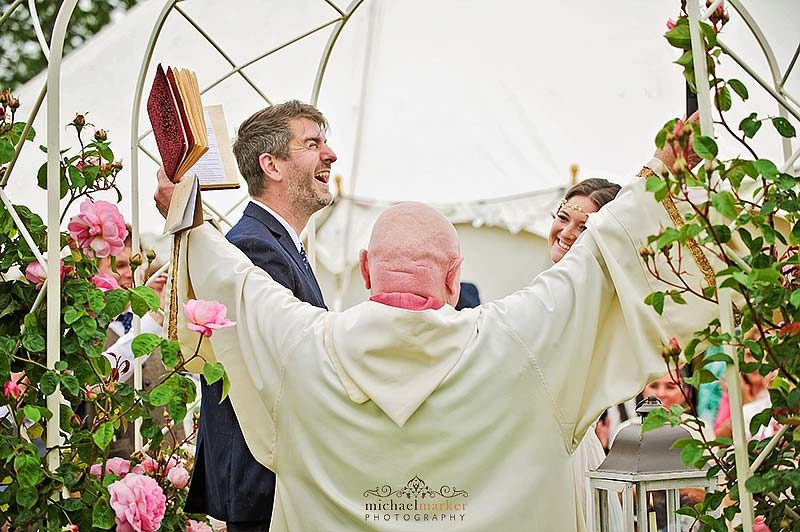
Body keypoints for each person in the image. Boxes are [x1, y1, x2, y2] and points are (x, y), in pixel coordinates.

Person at [157, 138, 718, 530]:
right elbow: (597, 260)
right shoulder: (523, 340)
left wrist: (185, 207)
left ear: (367, 270)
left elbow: (234, 282)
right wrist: (662, 169)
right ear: (455, 278)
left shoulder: (300, 346)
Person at [181, 100, 335, 531]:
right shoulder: (255, 247)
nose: (330, 154)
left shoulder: (278, 242)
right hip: (263, 487)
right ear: (272, 165)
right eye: (313, 143)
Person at [547, 178, 622, 531]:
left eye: (583, 227)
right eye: (563, 217)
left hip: (568, 454)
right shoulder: (552, 287)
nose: (566, 232)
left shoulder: (591, 295)